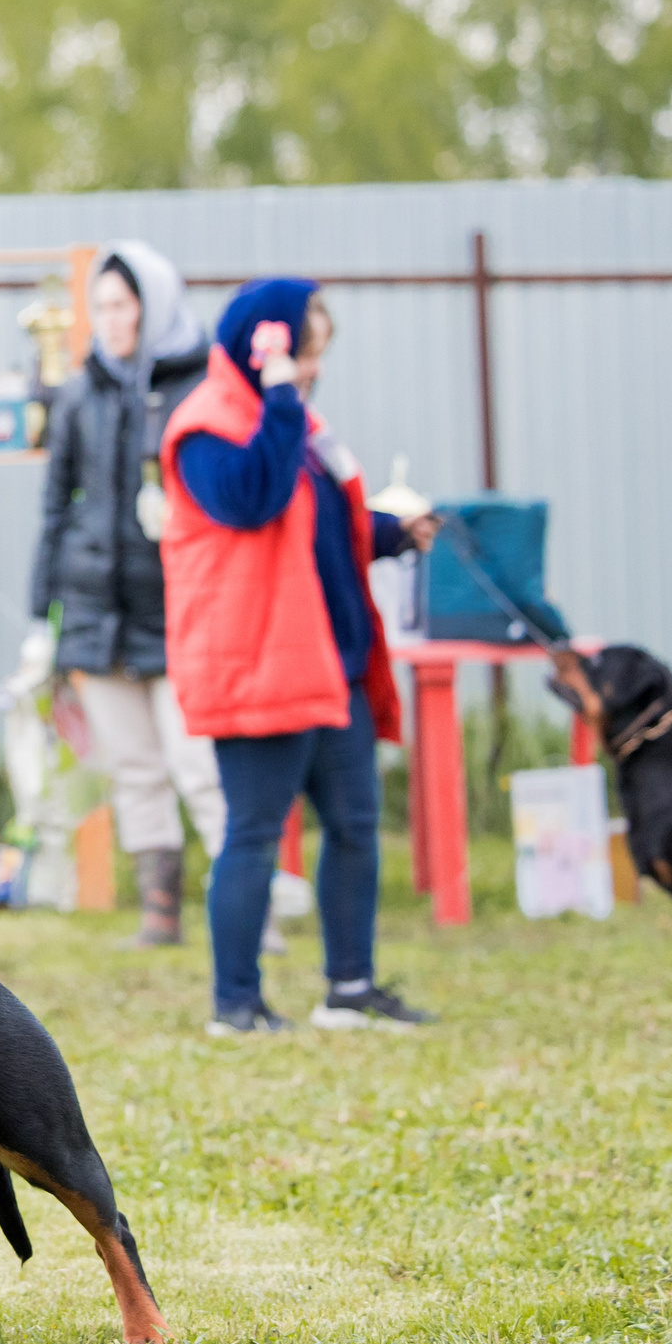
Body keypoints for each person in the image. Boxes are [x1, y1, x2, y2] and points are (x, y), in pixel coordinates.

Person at [159, 279, 438, 1035]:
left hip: (332, 663)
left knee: (354, 824)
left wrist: (391, 532)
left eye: (316, 356)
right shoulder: (207, 426)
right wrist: (282, 395)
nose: (313, 370)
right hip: (259, 664)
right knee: (253, 832)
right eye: (304, 352)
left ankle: (349, 987)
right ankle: (237, 1005)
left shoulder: (294, 421)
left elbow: (315, 531)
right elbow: (250, 501)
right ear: (267, 342)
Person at [29, 241, 225, 945]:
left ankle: (246, 908)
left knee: (199, 765)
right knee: (135, 768)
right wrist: (38, 616)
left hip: (180, 612)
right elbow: (56, 507)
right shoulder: (81, 392)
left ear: (156, 305)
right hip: (95, 613)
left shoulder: (203, 386)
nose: (111, 320)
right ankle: (160, 913)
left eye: (125, 305)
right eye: (102, 306)